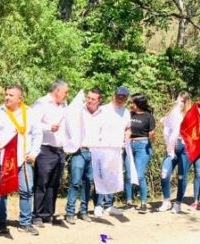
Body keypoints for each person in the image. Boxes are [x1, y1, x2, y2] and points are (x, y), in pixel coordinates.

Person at [0, 84, 42, 236]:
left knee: (27, 190)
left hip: (23, 158)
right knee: (2, 192)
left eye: (11, 95)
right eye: (6, 94)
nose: (7, 97)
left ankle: (25, 223)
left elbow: (37, 135)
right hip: (2, 159)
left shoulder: (30, 113)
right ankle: (1, 224)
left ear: (20, 98)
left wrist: (34, 153)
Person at [32, 79, 69, 226]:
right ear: (57, 91)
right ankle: (37, 215)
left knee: (54, 182)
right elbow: (32, 123)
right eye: (65, 92)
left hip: (59, 149)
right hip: (45, 148)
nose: (67, 94)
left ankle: (48, 214)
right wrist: (48, 127)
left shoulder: (65, 105)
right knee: (42, 182)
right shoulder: (41, 103)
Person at [65, 88, 104, 223]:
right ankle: (70, 212)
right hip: (79, 151)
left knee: (89, 183)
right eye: (88, 97)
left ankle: (83, 211)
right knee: (75, 181)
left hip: (95, 152)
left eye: (93, 99)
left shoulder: (103, 114)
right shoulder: (78, 111)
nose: (89, 100)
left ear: (99, 101)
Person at [93, 86, 131, 217]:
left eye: (123, 97)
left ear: (126, 98)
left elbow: (127, 128)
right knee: (101, 177)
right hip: (102, 149)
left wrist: (127, 135)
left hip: (116, 150)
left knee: (113, 177)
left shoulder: (126, 112)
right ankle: (98, 205)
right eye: (118, 96)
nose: (120, 99)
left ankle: (109, 205)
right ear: (114, 95)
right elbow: (95, 127)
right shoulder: (103, 109)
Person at [158, 92, 192, 213]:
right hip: (172, 147)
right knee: (164, 173)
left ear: (187, 102)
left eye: (182, 101)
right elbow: (166, 127)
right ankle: (166, 201)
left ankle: (178, 203)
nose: (179, 103)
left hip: (185, 147)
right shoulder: (173, 113)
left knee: (182, 176)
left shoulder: (191, 114)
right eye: (178, 100)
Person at [124, 93, 155, 212]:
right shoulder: (129, 114)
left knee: (139, 175)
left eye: (133, 103)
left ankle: (143, 202)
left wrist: (152, 136)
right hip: (129, 145)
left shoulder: (148, 116)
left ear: (139, 103)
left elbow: (152, 134)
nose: (131, 105)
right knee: (128, 174)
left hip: (143, 146)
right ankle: (129, 201)